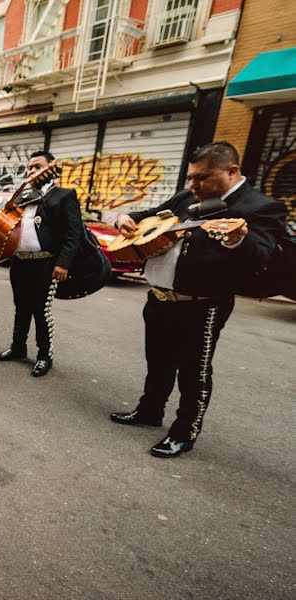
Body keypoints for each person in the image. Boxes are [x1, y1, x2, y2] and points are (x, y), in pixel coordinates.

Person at [109, 142, 287, 458]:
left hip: (204, 303)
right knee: (158, 361)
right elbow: (148, 215)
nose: (193, 185)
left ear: (232, 171)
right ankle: (149, 411)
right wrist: (124, 217)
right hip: (160, 297)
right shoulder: (189, 196)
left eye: (202, 178)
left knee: (194, 372)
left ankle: (184, 433)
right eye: (191, 177)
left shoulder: (259, 207)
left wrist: (238, 239)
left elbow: (260, 257)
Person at [0, 150, 82, 378]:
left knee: (41, 311)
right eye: (30, 167)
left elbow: (74, 234)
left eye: (37, 166)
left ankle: (44, 355)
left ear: (51, 166)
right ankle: (18, 347)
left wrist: (63, 263)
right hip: (20, 263)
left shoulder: (63, 195)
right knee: (21, 307)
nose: (32, 171)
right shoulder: (22, 197)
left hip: (46, 263)